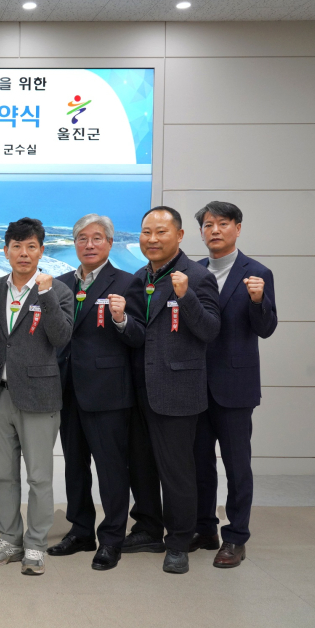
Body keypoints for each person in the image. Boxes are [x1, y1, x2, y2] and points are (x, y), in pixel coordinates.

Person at [122, 206, 220, 574]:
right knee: (142, 466)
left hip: (177, 389)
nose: (152, 239)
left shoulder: (197, 276)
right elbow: (139, 334)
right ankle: (148, 528)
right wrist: (120, 321)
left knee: (177, 471)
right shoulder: (139, 278)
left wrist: (186, 296)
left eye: (161, 232)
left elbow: (209, 330)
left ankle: (179, 541)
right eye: (146, 232)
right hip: (139, 389)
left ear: (179, 236)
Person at [46, 215, 146, 571]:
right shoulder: (60, 284)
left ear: (110, 243)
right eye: (82, 238)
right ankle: (80, 531)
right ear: (74, 243)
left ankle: (112, 538)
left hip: (107, 393)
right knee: (74, 467)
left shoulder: (128, 282)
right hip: (66, 390)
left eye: (97, 238)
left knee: (111, 468)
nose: (89, 244)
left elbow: (139, 336)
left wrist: (120, 319)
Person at [0, 218, 72, 576]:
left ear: (41, 251)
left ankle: (35, 543)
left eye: (31, 246)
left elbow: (61, 338)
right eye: (16, 246)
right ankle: (9, 539)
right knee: (2, 475)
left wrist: (45, 296)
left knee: (39, 477)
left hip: (39, 395)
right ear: (6, 251)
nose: (23, 253)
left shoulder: (58, 290)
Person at [192, 201, 277, 568]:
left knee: (237, 466)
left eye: (223, 223)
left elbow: (266, 329)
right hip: (195, 385)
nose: (215, 230)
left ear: (237, 228)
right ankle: (205, 529)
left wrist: (258, 301)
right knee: (199, 465)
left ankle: (236, 537)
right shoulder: (192, 271)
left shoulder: (256, 272)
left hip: (235, 386)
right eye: (208, 224)